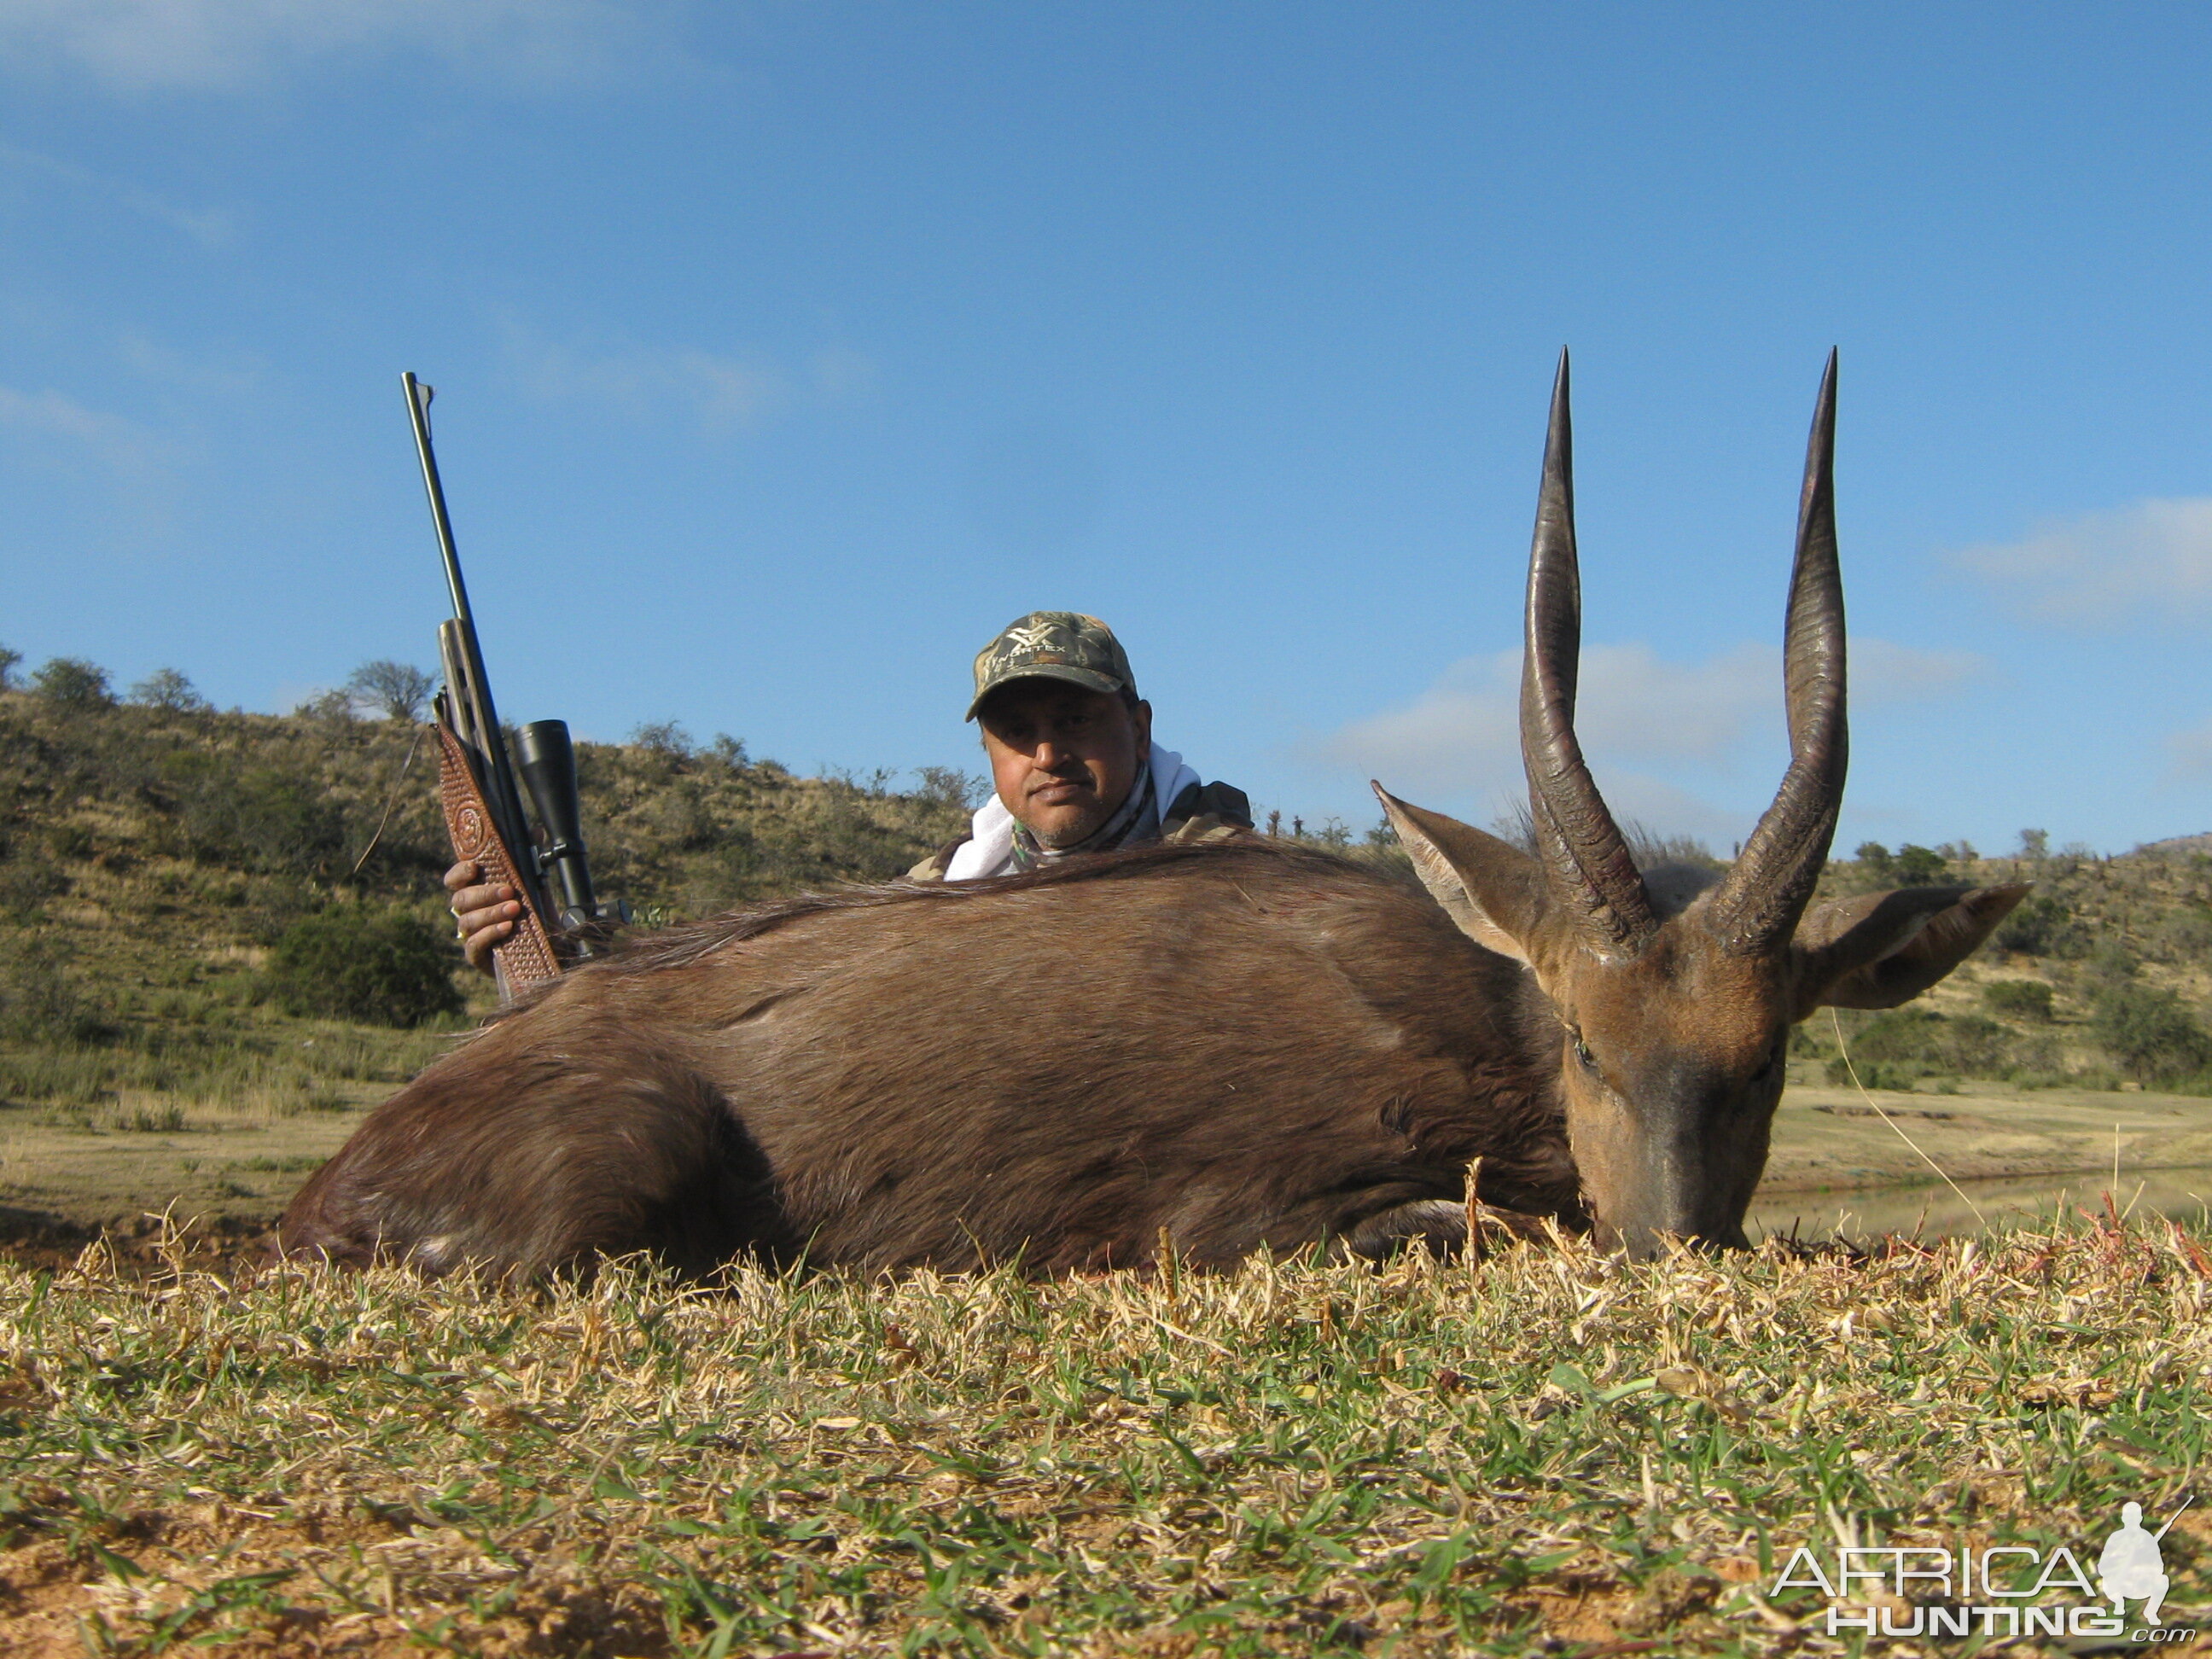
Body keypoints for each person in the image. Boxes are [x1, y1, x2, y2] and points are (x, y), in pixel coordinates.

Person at [445, 610, 1250, 969]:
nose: (1048, 753)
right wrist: (563, 946)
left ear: (1139, 729)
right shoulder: (948, 884)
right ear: (987, 752)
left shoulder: (1236, 879)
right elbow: (796, 964)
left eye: (1076, 720)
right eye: (1017, 734)